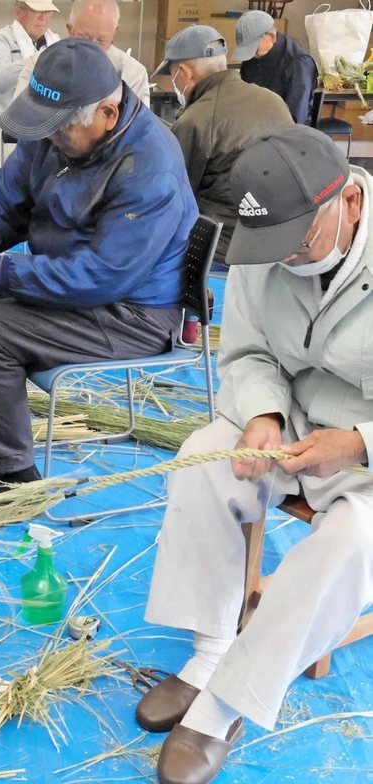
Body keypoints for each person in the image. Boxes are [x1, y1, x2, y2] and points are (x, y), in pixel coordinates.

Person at [138, 125, 373, 784]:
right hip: (294, 419)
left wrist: (358, 442)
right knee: (203, 458)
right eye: (273, 248)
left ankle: (224, 705)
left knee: (352, 540)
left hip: (366, 450)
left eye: (299, 243)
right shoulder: (265, 241)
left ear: (350, 203)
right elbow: (247, 351)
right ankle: (211, 648)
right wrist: (263, 415)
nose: (286, 260)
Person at [0, 39, 198, 530]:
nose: (49, 137)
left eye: (59, 128)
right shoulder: (55, 135)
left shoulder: (149, 167)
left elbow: (104, 275)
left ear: (107, 114)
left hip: (133, 312)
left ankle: (17, 481)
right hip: (75, 288)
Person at [154, 25, 293, 265]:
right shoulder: (274, 101)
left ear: (184, 72)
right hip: (281, 237)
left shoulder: (195, 121)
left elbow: (173, 198)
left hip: (221, 247)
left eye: (174, 73)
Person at [14, 0, 152, 108]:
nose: (92, 49)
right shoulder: (39, 64)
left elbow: (141, 131)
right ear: (70, 30)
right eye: (85, 39)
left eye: (101, 41)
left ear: (114, 32)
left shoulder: (133, 75)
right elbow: (18, 121)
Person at [0, 0, 60, 158]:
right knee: (10, 164)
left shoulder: (56, 42)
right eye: (37, 11)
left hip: (50, 131)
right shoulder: (1, 39)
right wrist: (38, 60)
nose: (43, 17)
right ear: (18, 12)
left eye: (48, 12)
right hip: (9, 133)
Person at [233, 10, 318, 125]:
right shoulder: (253, 58)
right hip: (254, 125)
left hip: (284, 130)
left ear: (271, 36)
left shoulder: (298, 64)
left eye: (253, 49)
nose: (251, 55)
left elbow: (295, 120)